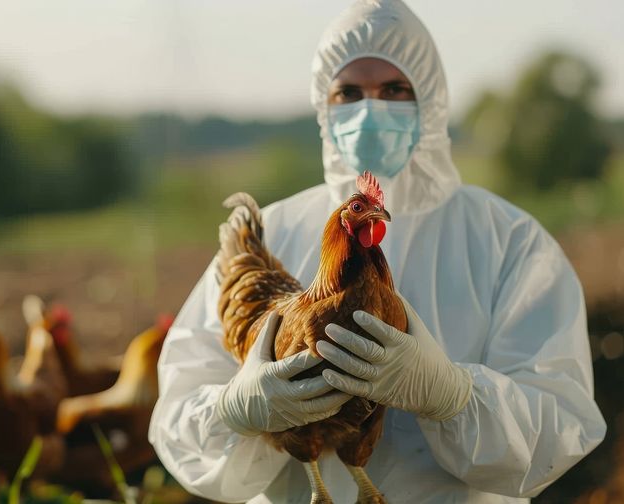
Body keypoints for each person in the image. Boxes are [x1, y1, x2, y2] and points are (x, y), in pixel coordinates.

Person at [148, 0, 607, 502]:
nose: (370, 109)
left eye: (393, 89)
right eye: (349, 92)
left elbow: (560, 426)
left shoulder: (512, 242)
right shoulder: (272, 231)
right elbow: (177, 416)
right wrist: (234, 410)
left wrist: (453, 396)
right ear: (324, 103)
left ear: (430, 98)